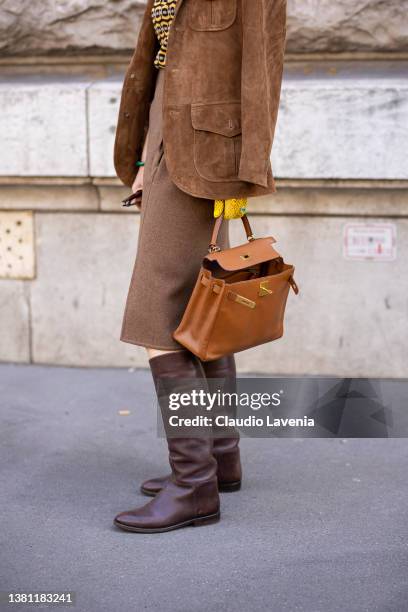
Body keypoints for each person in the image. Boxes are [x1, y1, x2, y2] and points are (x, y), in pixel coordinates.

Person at [113, 0, 287, 533]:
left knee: (157, 317)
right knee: (200, 307)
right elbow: (162, 62)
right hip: (170, 144)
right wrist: (145, 159)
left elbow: (262, 67)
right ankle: (218, 459)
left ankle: (193, 485)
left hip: (207, 157)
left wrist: (245, 174)